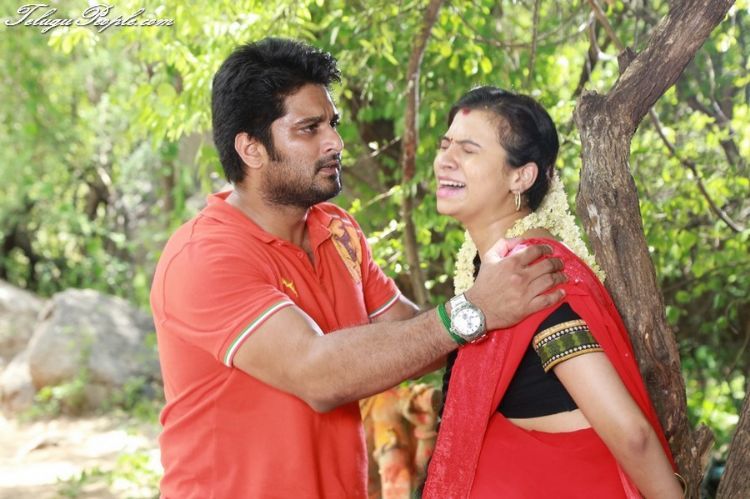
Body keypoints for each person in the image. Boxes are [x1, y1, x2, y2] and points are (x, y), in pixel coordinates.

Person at [150, 39, 566, 498]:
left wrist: (513, 308)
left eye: (332, 123)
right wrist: (476, 310)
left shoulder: (336, 230)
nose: (335, 142)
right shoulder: (205, 256)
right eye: (309, 128)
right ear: (251, 149)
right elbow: (317, 375)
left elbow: (413, 334)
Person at [422, 87, 685, 498]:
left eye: (468, 149)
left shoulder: (530, 273)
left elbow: (632, 435)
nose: (445, 160)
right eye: (445, 145)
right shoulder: (494, 270)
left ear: (521, 176)